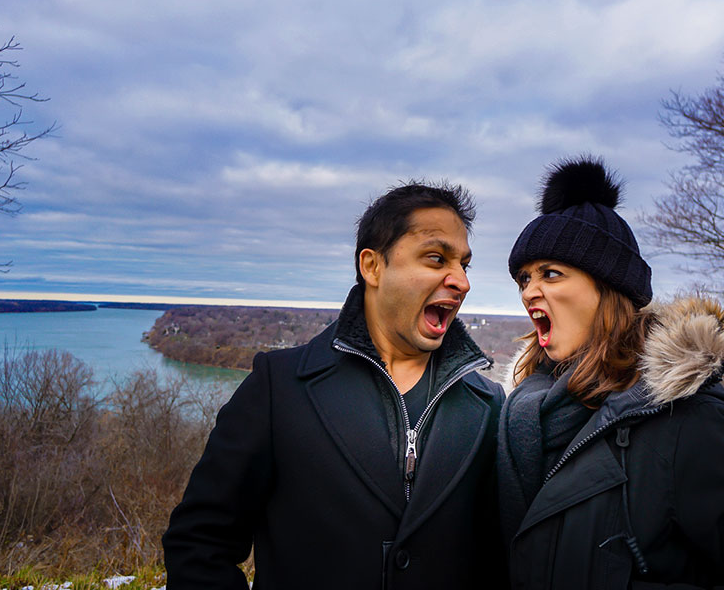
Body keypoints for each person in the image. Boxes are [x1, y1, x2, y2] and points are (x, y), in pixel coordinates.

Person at [163, 182, 506, 589]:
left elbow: (497, 560)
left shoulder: (488, 405)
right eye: (436, 259)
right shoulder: (280, 388)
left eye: (464, 265)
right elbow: (198, 546)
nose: (462, 282)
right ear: (372, 266)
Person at [498, 156, 724, 589]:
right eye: (524, 278)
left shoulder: (688, 419)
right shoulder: (523, 412)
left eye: (550, 274)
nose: (530, 291)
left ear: (610, 291)